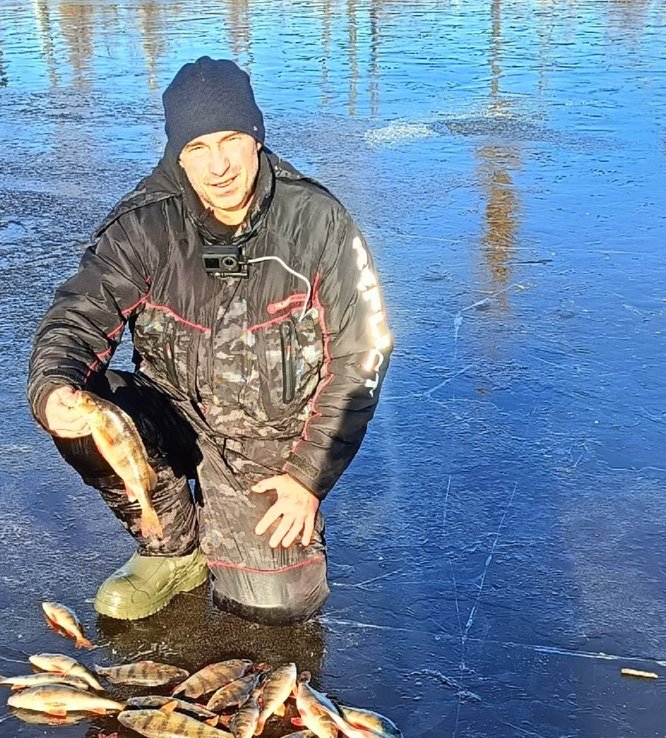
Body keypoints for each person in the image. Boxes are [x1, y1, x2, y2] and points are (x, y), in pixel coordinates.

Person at [26, 57, 393, 626]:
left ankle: (243, 520)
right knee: (88, 419)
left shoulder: (318, 222)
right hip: (173, 411)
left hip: (270, 440)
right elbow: (77, 316)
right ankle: (172, 547)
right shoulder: (144, 224)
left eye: (229, 141)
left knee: (276, 607)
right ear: (177, 154)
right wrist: (52, 388)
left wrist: (307, 479)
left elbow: (360, 355)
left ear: (256, 137)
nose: (218, 166)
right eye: (197, 148)